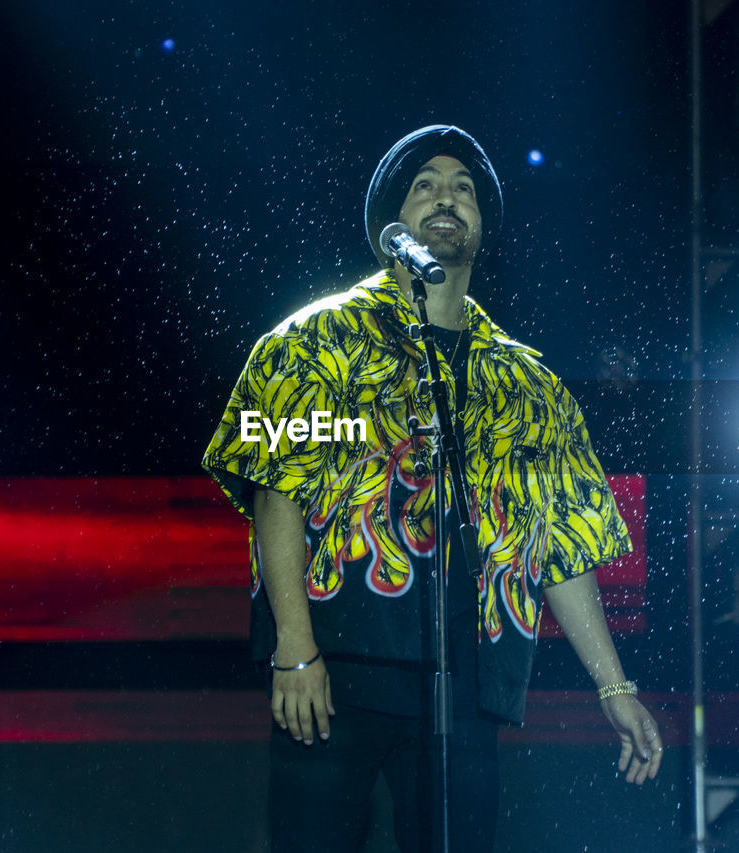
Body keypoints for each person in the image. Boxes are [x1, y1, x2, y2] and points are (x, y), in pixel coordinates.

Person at [202, 125, 661, 853]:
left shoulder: (528, 383)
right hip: (332, 675)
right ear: (391, 221)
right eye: (425, 184)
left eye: (464, 189)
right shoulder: (310, 343)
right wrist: (293, 648)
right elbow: (277, 494)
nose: (447, 196)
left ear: (484, 227)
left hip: (465, 685)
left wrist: (613, 684)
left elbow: (561, 540)